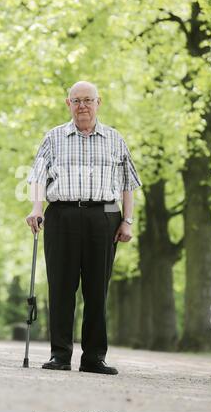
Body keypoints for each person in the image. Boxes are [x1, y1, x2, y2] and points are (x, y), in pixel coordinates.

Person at [26, 81, 141, 375]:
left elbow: (128, 184)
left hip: (103, 217)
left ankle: (93, 358)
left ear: (98, 102)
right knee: (61, 288)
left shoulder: (115, 139)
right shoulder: (53, 137)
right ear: (68, 104)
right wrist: (37, 209)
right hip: (62, 215)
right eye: (76, 100)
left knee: (96, 290)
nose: (82, 106)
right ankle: (60, 355)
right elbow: (38, 176)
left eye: (87, 100)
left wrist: (127, 221)